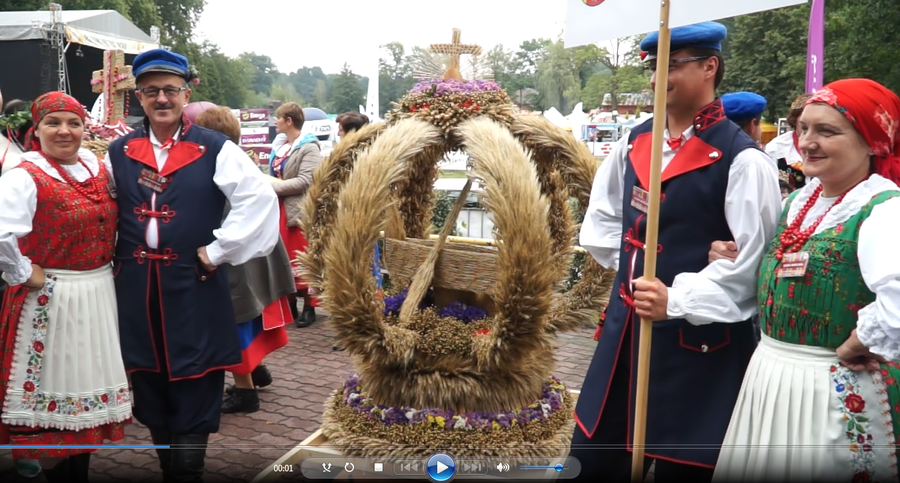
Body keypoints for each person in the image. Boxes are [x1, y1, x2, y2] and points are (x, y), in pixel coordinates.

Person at [571, 21, 782, 482]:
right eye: (652, 66)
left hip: (698, 355)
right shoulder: (634, 142)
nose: (654, 78)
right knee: (593, 462)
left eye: (671, 65)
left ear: (710, 67)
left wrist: (680, 297)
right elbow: (601, 223)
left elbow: (753, 267)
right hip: (625, 340)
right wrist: (633, 262)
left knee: (682, 469)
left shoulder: (743, 159)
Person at [708, 78, 900, 481]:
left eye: (827, 131)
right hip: (772, 375)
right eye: (804, 128)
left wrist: (862, 338)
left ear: (872, 142)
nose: (807, 142)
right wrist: (738, 256)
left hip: (834, 384)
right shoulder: (799, 201)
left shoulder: (884, 209)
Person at [103, 49, 280, 481]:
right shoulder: (119, 151)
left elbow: (258, 201)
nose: (161, 99)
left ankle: (187, 469)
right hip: (136, 286)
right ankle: (169, 463)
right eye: (150, 92)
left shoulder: (216, 148)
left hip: (194, 284)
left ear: (185, 94)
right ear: (139, 98)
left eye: (169, 90)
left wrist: (216, 251)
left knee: (196, 374)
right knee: (147, 377)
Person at [0, 92, 132, 482]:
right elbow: (3, 232)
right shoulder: (24, 176)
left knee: (85, 397)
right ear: (35, 130)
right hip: (51, 298)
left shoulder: (97, 167)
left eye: (73, 123)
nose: (64, 131)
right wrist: (22, 272)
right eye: (53, 122)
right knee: (55, 405)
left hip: (97, 292)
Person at [192, 105, 295, 414]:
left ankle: (244, 390)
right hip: (255, 255)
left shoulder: (218, 167)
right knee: (249, 318)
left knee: (232, 320)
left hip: (236, 258)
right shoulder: (240, 162)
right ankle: (254, 369)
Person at [269, 102, 323, 328]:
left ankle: (309, 308)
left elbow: (307, 181)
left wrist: (272, 186)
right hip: (279, 211)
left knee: (303, 258)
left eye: (278, 118)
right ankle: (290, 305)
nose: (275, 121)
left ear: (289, 121)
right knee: (283, 259)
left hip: (299, 210)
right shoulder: (281, 146)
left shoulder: (309, 147)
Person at [766, 93, 812, 192]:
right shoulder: (776, 147)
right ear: (795, 120)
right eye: (804, 123)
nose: (810, 127)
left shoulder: (828, 147)